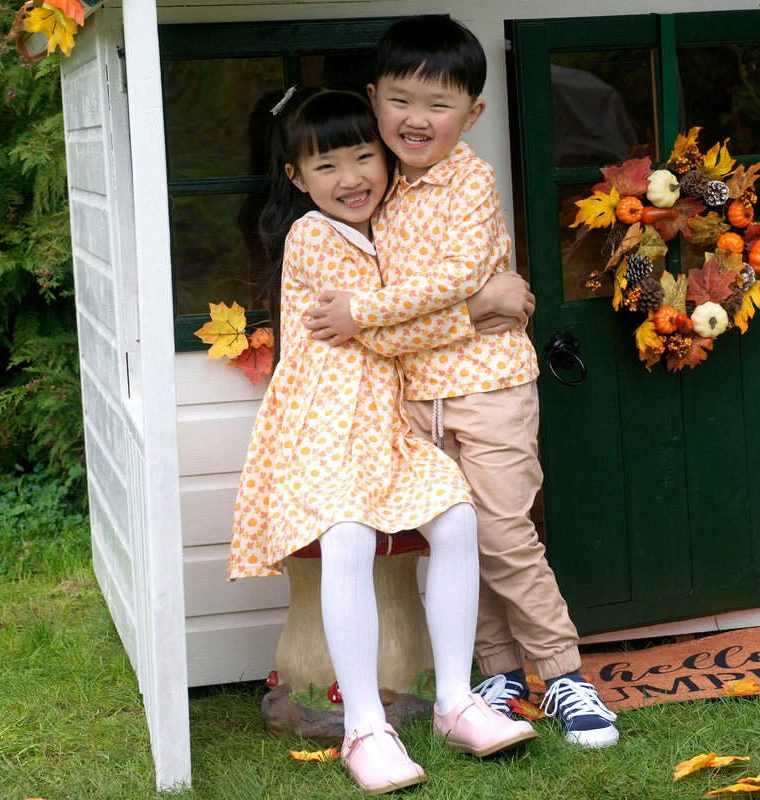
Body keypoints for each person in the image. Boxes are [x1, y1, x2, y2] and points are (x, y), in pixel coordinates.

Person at [303, 17, 619, 749]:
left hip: (489, 389)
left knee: (507, 531)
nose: (417, 120)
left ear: (472, 115)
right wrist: (480, 307)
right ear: (374, 98)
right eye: (401, 100)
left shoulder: (468, 182)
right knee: (458, 534)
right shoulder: (372, 190)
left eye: (438, 104)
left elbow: (444, 284)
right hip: (414, 399)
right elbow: (440, 307)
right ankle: (499, 671)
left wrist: (369, 318)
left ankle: (563, 672)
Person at [227, 87, 537, 796]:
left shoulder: (387, 227)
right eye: (326, 166)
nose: (351, 178)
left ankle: (457, 700)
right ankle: (366, 726)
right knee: (347, 539)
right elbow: (379, 320)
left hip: (384, 425)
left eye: (365, 156)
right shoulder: (314, 237)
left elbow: (397, 313)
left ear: (388, 158)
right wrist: (481, 305)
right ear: (297, 180)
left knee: (458, 518)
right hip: (322, 429)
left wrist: (453, 297)